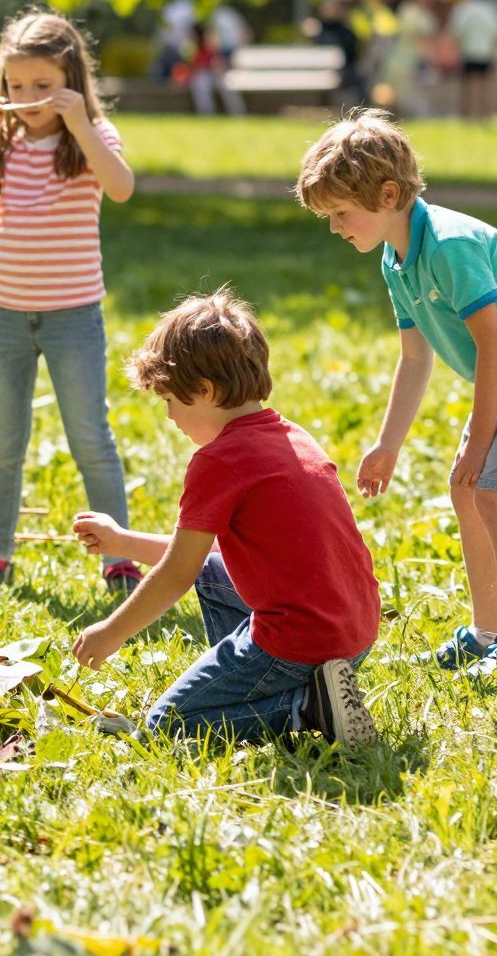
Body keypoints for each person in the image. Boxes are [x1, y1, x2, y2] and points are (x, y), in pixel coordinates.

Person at [295, 110, 497, 677]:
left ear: (387, 194)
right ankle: (488, 633)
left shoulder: (451, 245)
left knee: (492, 494)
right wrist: (388, 444)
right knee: (467, 492)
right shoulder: (396, 257)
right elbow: (414, 355)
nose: (334, 227)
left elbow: (494, 346)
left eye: (340, 213)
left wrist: (480, 445)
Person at [71, 290, 380, 746]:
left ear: (206, 392)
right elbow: (204, 559)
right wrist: (124, 541)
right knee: (215, 574)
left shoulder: (218, 462)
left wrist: (110, 633)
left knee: (168, 726)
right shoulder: (291, 435)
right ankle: (308, 687)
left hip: (303, 640)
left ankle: (306, 706)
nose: (170, 416)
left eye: (171, 400)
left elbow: (178, 572)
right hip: (354, 630)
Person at [0, 9, 139, 592]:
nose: (27, 97)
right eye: (15, 85)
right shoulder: (4, 140)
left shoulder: (91, 138)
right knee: (3, 442)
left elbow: (122, 186)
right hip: (3, 313)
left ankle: (119, 558)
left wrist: (82, 125)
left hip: (72, 316)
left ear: (71, 81)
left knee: (90, 437)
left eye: (42, 85)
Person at [448, 0, 497, 120]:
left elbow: (456, 31)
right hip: (486, 50)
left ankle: (467, 114)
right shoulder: (491, 8)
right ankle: (485, 114)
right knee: (485, 86)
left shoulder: (464, 7)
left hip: (469, 50)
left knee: (469, 86)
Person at [186, 21, 244, 116]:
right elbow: (195, 65)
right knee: (202, 85)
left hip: (216, 74)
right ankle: (206, 113)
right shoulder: (194, 48)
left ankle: (237, 112)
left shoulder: (214, 48)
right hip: (202, 74)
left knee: (227, 85)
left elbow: (219, 63)